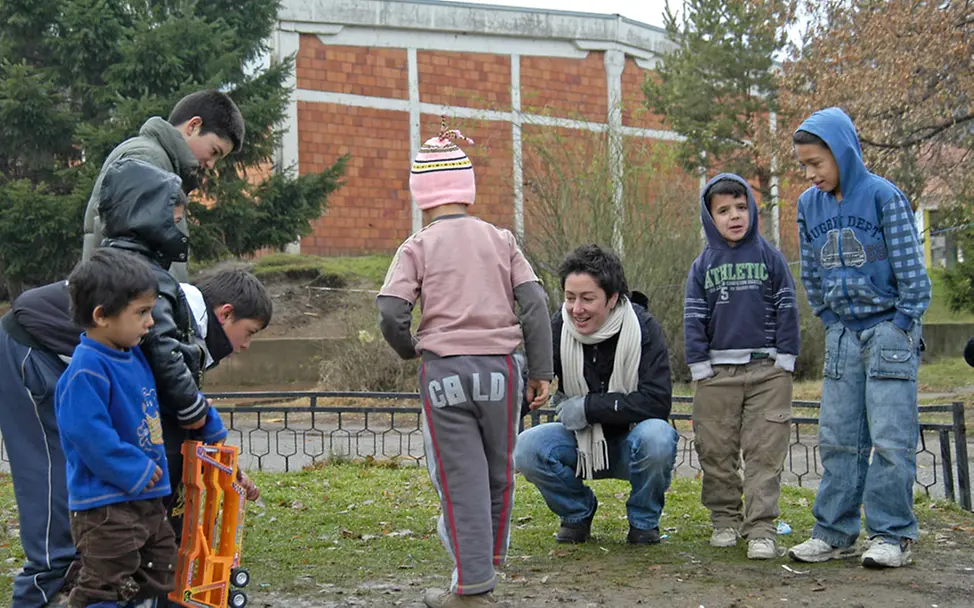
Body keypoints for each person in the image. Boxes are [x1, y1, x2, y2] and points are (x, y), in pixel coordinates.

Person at [0, 164, 268, 607]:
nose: (180, 230)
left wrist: (216, 460)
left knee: (142, 562)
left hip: (131, 494)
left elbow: (165, 407)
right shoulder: (102, 352)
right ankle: (41, 593)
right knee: (57, 521)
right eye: (175, 218)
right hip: (31, 356)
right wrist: (183, 446)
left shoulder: (142, 315)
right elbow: (95, 426)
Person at [377, 123, 553, 608]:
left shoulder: (417, 246)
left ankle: (472, 587)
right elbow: (535, 304)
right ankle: (487, 565)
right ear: (467, 190)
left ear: (422, 195)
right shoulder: (501, 239)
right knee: (498, 472)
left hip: (445, 373)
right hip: (502, 371)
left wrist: (411, 348)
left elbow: (391, 312)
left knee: (461, 479)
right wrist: (541, 371)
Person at [788, 107, 931, 569]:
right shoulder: (808, 205)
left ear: (842, 151)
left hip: (889, 329)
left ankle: (891, 535)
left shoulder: (884, 197)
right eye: (804, 165)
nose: (810, 174)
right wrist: (830, 319)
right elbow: (812, 272)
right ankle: (834, 532)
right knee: (837, 438)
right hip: (842, 334)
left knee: (890, 440)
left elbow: (913, 274)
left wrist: (902, 322)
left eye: (816, 163)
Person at [513, 244, 679, 547]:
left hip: (632, 442)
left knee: (657, 436)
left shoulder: (643, 327)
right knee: (527, 447)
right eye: (570, 297)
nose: (576, 309)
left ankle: (644, 522)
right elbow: (531, 381)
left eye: (587, 299)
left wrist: (589, 407)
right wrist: (500, 419)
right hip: (579, 441)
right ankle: (576, 513)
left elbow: (657, 402)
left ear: (612, 298)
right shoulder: (559, 325)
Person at [684, 174, 800, 560]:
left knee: (765, 452)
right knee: (715, 451)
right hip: (716, 375)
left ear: (752, 209)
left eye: (741, 207)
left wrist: (786, 358)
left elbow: (787, 306)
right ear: (710, 217)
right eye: (723, 210)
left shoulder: (771, 258)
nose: (734, 216)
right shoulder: (702, 266)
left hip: (768, 371)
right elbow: (694, 318)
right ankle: (725, 520)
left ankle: (761, 528)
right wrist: (699, 365)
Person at [55, 248, 177, 607]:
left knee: (161, 566)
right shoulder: (86, 370)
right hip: (106, 503)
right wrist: (133, 468)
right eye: (141, 312)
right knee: (106, 579)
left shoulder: (131, 353)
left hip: (144, 497)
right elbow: (89, 434)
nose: (150, 322)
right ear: (102, 316)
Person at [82, 89, 245, 282]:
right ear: (193, 126)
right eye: (214, 151)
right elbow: (132, 259)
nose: (211, 164)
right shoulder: (146, 160)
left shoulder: (159, 164)